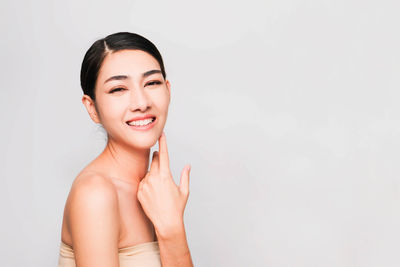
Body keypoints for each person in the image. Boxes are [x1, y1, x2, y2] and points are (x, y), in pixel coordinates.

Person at [58, 32, 194, 267]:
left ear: (168, 90)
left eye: (152, 83)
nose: (141, 103)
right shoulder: (95, 193)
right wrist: (171, 228)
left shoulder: (158, 192)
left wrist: (172, 228)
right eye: (118, 89)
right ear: (92, 108)